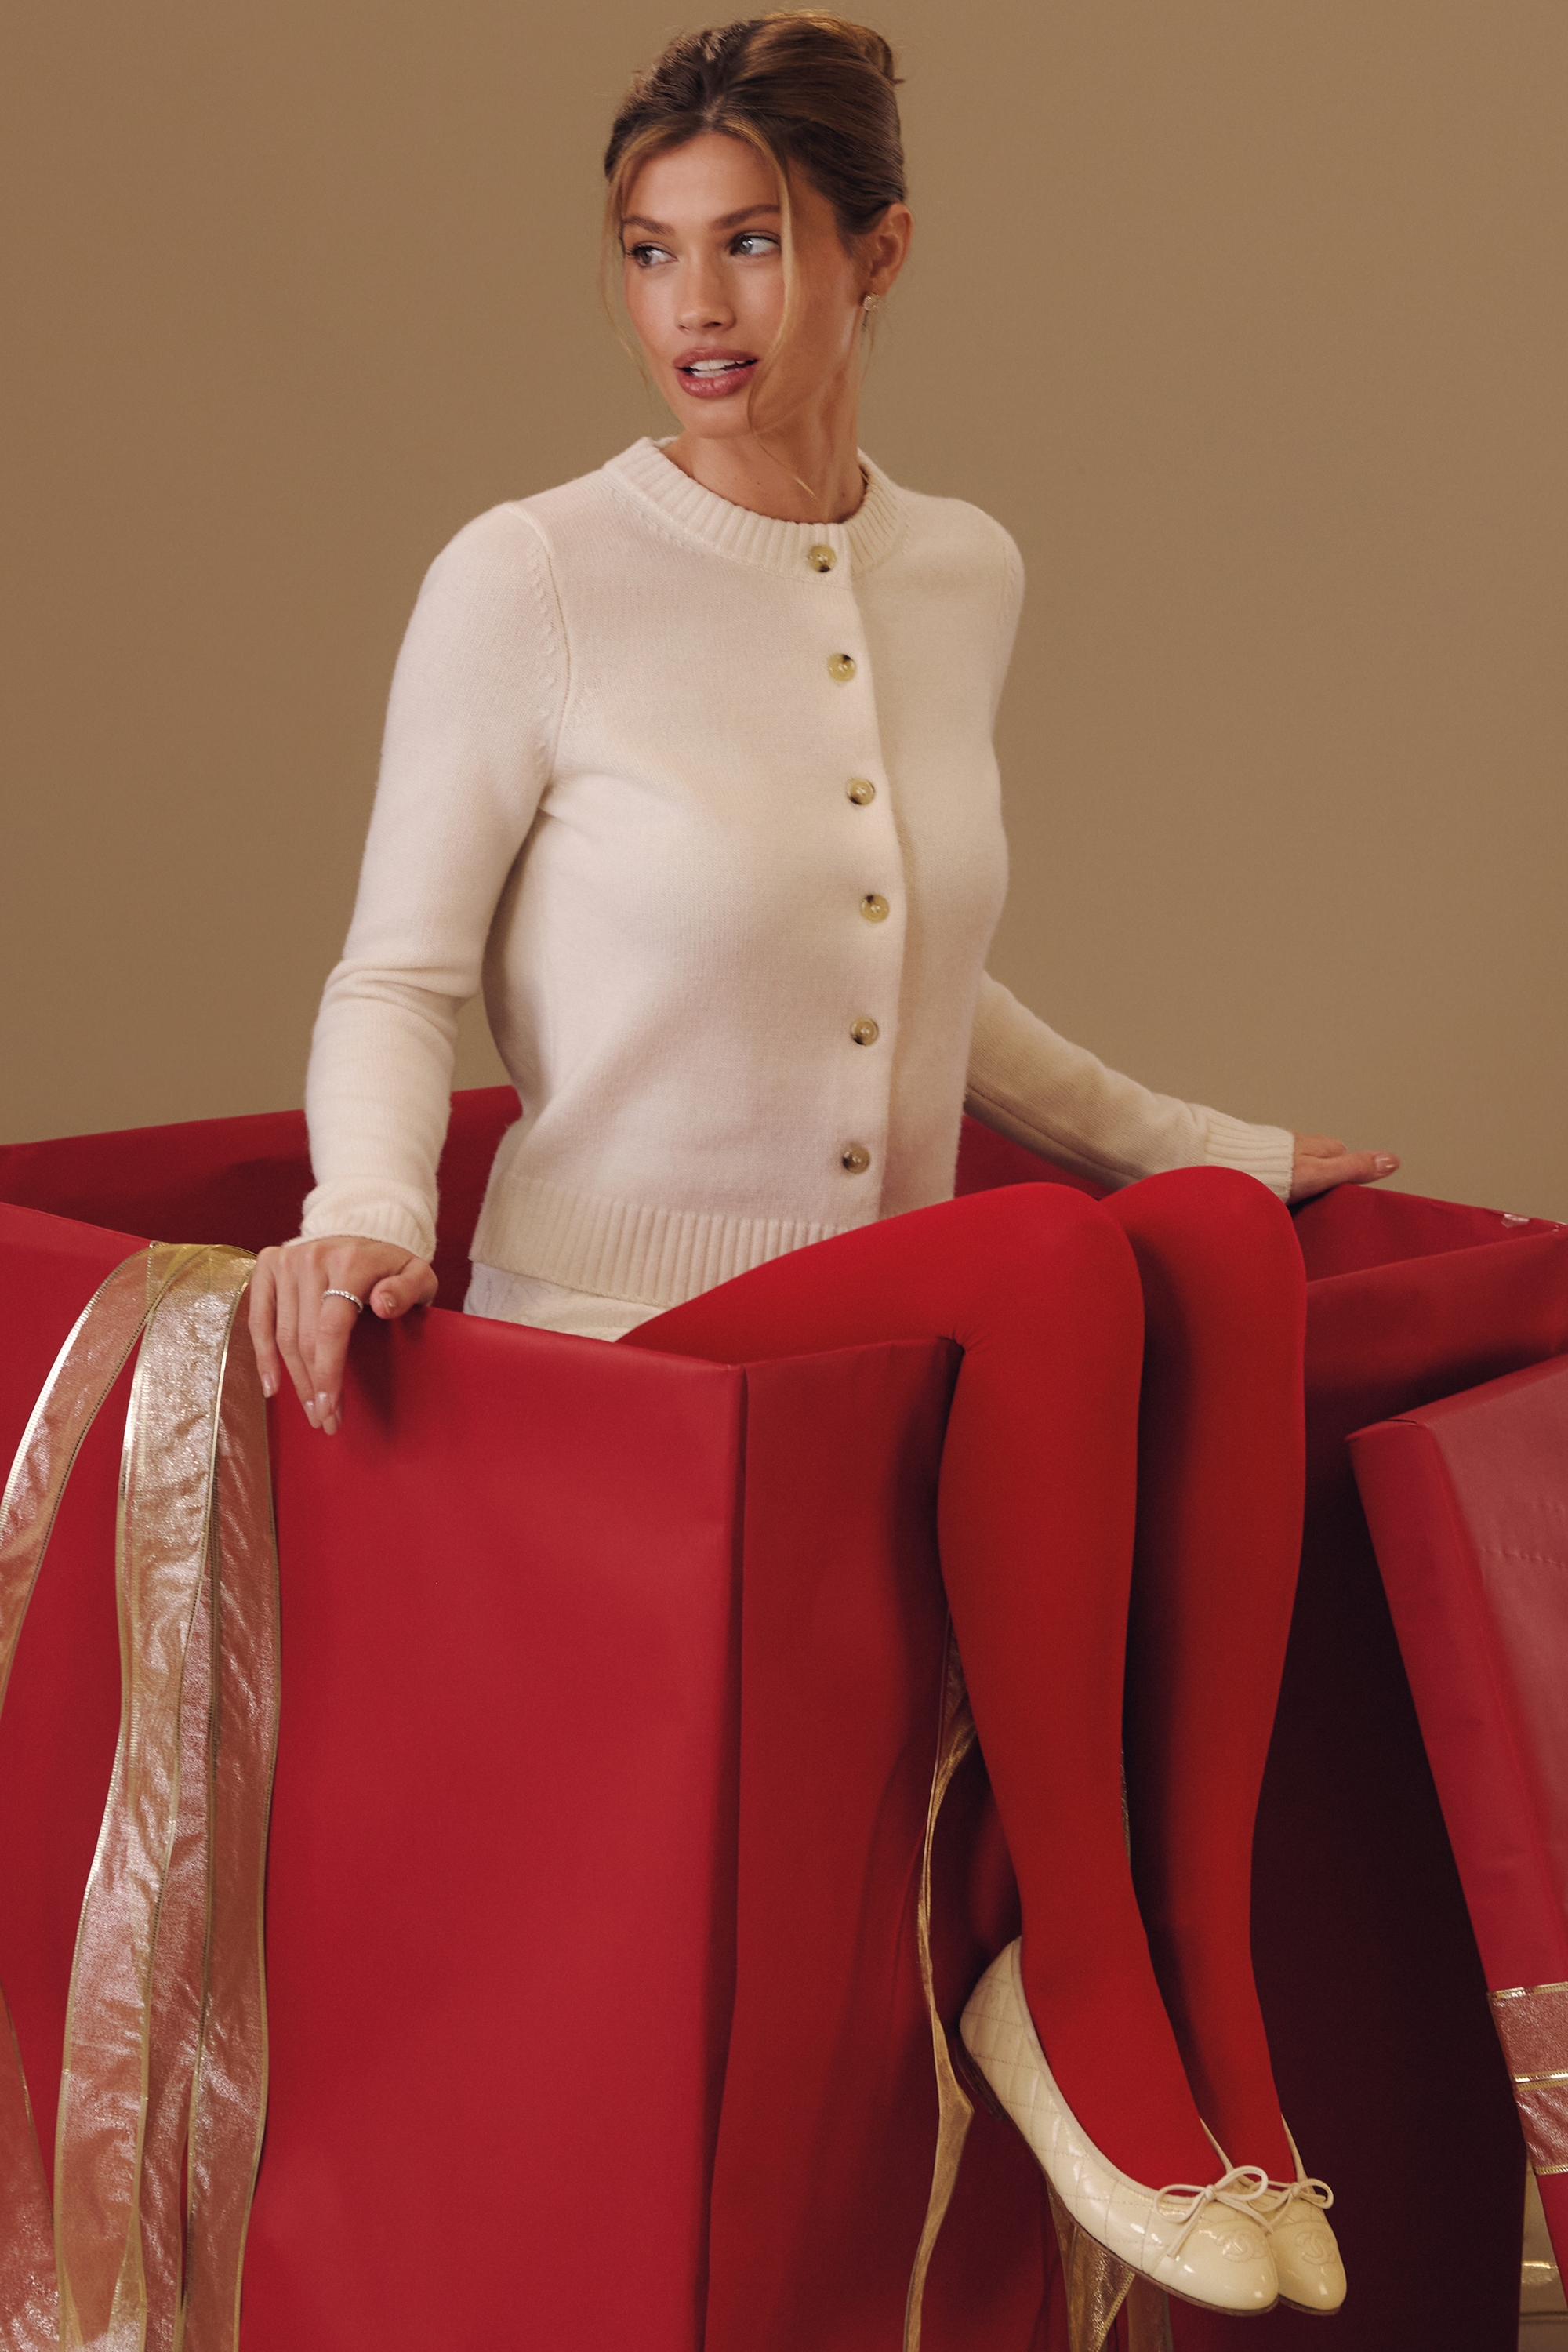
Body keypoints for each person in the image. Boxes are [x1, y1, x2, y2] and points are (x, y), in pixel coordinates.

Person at [248, 13, 1398, 2319]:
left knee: (1196, 1247)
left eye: (754, 244)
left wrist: (1215, 1148)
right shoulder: (533, 574)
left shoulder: (963, 570)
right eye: (650, 250)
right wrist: (362, 1209)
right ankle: (1076, 1983)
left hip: (894, 1308)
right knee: (1051, 1266)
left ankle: (1201, 1989)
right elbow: (394, 974)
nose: (697, 306)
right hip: (628, 1348)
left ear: (877, 255)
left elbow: (928, 966)